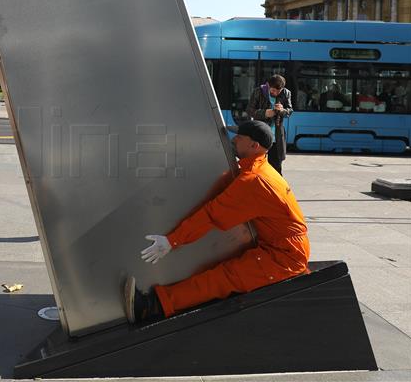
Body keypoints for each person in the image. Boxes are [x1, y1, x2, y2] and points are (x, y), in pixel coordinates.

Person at [124, 120, 310, 325]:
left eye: (240, 136)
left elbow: (212, 215)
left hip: (284, 256)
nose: (234, 139)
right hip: (282, 248)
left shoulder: (254, 181)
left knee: (223, 278)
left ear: (254, 146)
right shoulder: (260, 169)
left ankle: (152, 307)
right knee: (224, 275)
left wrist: (172, 241)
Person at [246, 74, 292, 175]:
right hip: (260, 135)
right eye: (273, 90)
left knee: (276, 169)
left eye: (278, 91)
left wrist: (282, 110)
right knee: (256, 166)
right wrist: (265, 113)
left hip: (276, 136)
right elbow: (249, 110)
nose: (275, 93)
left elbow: (289, 111)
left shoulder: (286, 93)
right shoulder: (258, 92)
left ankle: (275, 189)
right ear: (268, 85)